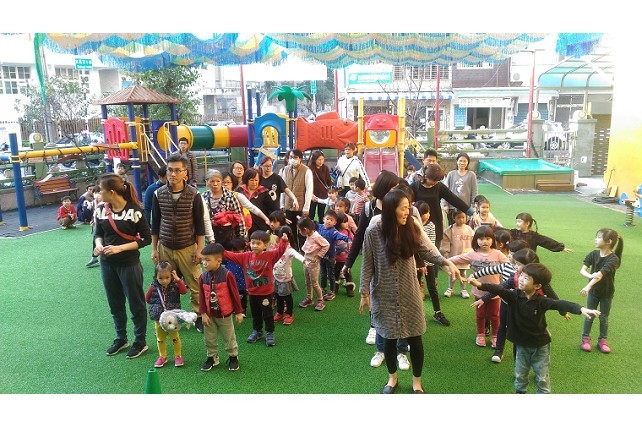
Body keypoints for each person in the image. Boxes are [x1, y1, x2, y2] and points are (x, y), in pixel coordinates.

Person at [359, 189, 459, 394]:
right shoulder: (373, 231)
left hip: (409, 292)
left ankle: (416, 382)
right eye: (404, 208)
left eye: (409, 207)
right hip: (383, 293)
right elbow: (367, 263)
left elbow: (425, 250)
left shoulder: (411, 227)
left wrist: (444, 262)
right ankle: (392, 379)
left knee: (415, 338)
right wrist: (364, 293)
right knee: (388, 340)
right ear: (391, 209)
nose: (408, 212)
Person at [469, 263, 601, 394]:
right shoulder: (513, 296)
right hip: (521, 345)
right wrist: (479, 284)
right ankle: (520, 392)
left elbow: (559, 304)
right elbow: (499, 289)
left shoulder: (541, 301)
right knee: (520, 375)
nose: (521, 279)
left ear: (537, 286)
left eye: (526, 278)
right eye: (521, 275)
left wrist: (580, 308)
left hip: (540, 346)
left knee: (542, 376)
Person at [94, 173, 152, 359]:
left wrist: (120, 248)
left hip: (129, 264)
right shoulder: (101, 209)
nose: (98, 193)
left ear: (112, 192)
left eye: (101, 190)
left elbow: (146, 239)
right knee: (115, 303)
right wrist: (98, 246)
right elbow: (98, 233)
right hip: (107, 264)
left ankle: (140, 341)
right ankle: (121, 338)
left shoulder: (135, 211)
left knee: (136, 303)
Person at [342, 170, 402, 346]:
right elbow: (359, 235)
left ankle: (398, 328)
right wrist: (349, 262)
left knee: (396, 293)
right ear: (384, 188)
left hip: (396, 256)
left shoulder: (399, 205)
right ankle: (374, 326)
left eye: (397, 188)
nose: (396, 191)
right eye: (393, 188)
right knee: (374, 291)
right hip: (375, 256)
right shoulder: (369, 207)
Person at [150, 152, 206, 332]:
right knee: (165, 283)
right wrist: (154, 249)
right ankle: (170, 315)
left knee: (195, 284)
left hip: (188, 247)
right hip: (165, 246)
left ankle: (198, 316)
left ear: (185, 173)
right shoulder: (158, 194)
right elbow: (155, 223)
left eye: (177, 170)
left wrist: (199, 249)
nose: (172, 174)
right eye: (169, 170)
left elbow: (200, 224)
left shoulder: (194, 194)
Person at [223, 230, 288, 347]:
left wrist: (284, 241)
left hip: (266, 293)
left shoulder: (270, 256)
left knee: (267, 314)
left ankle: (269, 332)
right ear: (249, 243)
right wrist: (219, 250)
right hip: (252, 293)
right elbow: (231, 255)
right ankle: (257, 331)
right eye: (253, 243)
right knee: (255, 314)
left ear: (265, 245)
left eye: (258, 243)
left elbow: (280, 251)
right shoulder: (245, 256)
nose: (255, 246)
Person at [447, 225, 509, 347]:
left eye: (488, 238)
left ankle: (495, 336)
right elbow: (457, 259)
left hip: (494, 292)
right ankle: (481, 334)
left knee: (494, 315)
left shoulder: (497, 254)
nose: (484, 241)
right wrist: (445, 261)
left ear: (493, 240)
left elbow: (510, 265)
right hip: (478, 292)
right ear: (476, 240)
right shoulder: (472, 254)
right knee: (480, 314)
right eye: (481, 239)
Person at [199, 243, 244, 372]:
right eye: (203, 259)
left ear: (218, 261)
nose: (204, 263)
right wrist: (203, 313)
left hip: (225, 314)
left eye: (207, 260)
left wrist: (238, 312)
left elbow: (235, 294)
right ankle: (212, 357)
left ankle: (233, 356)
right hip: (209, 315)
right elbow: (201, 296)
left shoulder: (227, 275)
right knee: (209, 338)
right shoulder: (203, 277)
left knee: (229, 337)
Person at [411, 163, 474, 252]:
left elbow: (454, 199)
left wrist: (471, 212)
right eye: (434, 180)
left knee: (435, 251)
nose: (436, 182)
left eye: (438, 180)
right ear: (426, 176)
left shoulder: (439, 187)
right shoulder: (415, 187)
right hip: (419, 222)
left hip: (435, 221)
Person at [579, 227, 623, 354]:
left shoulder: (613, 259)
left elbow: (600, 275)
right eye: (596, 236)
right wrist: (590, 276)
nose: (596, 239)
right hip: (594, 293)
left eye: (598, 237)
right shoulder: (593, 254)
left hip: (606, 293)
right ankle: (585, 339)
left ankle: (602, 341)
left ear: (608, 241)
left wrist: (588, 286)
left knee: (604, 317)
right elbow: (583, 270)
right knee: (589, 315)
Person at [145, 262, 188, 368]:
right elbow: (147, 299)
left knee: (175, 337)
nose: (164, 280)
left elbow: (184, 291)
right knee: (160, 338)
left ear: (172, 275)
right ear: (156, 277)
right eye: (160, 278)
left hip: (172, 318)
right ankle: (162, 356)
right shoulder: (153, 287)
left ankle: (178, 356)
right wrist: (156, 307)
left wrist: (178, 280)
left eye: (167, 277)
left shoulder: (175, 285)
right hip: (159, 319)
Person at [201, 169, 247, 248]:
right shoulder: (203, 197)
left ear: (221, 182)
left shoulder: (230, 196)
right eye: (212, 181)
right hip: (211, 238)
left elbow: (239, 218)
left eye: (218, 181)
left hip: (229, 238)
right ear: (207, 182)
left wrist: (241, 238)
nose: (215, 184)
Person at [280, 149, 313, 249]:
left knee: (302, 229)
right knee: (290, 229)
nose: (292, 159)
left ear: (300, 158)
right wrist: (282, 204)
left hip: (301, 206)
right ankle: (293, 248)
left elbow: (309, 190)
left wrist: (306, 207)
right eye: (291, 157)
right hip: (288, 205)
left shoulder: (306, 171)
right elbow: (282, 188)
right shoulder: (284, 170)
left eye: (295, 157)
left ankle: (303, 249)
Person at [272, 225, 304, 325]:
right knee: (278, 295)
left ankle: (289, 314)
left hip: (285, 278)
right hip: (276, 276)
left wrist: (304, 260)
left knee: (287, 297)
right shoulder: (275, 248)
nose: (279, 238)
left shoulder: (289, 249)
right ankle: (280, 312)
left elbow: (297, 255)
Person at [297, 217, 330, 312]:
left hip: (313, 264)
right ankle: (309, 298)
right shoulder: (309, 234)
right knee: (307, 282)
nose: (299, 232)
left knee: (314, 283)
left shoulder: (316, 236)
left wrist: (319, 256)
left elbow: (326, 245)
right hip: (306, 262)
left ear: (305, 229)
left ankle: (320, 300)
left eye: (300, 230)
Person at [317, 210, 351, 301]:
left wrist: (348, 240)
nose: (329, 221)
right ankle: (323, 289)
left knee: (330, 274)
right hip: (321, 256)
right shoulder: (319, 227)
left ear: (335, 223)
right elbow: (311, 224)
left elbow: (342, 236)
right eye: (327, 219)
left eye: (331, 220)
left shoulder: (334, 232)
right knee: (323, 274)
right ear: (323, 219)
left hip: (330, 257)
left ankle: (332, 291)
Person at [440, 209, 475, 298]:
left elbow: (473, 241)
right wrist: (446, 252)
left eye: (463, 217)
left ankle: (463, 289)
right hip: (454, 255)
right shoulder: (450, 229)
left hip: (465, 256)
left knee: (463, 272)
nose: (461, 219)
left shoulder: (469, 229)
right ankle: (450, 289)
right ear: (453, 218)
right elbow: (445, 242)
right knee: (452, 273)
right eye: (458, 217)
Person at [237, 168, 277, 236]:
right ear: (246, 180)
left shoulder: (264, 192)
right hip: (244, 226)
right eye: (251, 180)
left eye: (256, 180)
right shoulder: (240, 191)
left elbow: (273, 207)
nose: (254, 182)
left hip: (261, 226)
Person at [444, 152, 478, 225]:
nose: (462, 163)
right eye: (460, 161)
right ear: (457, 161)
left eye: (464, 161)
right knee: (452, 227)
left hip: (466, 207)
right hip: (452, 207)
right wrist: (445, 205)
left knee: (465, 227)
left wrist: (474, 206)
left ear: (468, 162)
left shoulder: (471, 175)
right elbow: (445, 190)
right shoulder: (451, 174)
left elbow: (474, 191)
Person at [223, 237, 248, 317]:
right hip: (230, 282)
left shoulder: (245, 257)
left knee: (242, 297)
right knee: (231, 296)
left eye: (239, 251)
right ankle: (232, 308)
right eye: (234, 251)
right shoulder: (228, 258)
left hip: (242, 283)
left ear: (243, 249)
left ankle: (243, 310)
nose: (236, 253)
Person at [334, 213, 355, 297]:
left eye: (347, 222)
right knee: (335, 274)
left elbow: (353, 240)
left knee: (347, 274)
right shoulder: (334, 232)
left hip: (346, 259)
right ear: (338, 223)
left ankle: (349, 289)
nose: (347, 224)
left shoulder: (348, 232)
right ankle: (334, 288)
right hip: (336, 259)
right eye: (344, 222)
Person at [308, 150, 332, 222]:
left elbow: (328, 181)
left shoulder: (325, 168)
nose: (321, 161)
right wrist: (310, 194)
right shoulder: (309, 169)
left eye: (322, 159)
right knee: (311, 214)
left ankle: (321, 227)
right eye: (319, 159)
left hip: (323, 194)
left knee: (321, 214)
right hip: (312, 195)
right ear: (314, 160)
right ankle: (311, 227)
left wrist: (331, 190)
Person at [85, 185, 102, 268]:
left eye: (99, 193)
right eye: (95, 193)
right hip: (99, 224)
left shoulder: (107, 203)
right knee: (96, 238)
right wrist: (93, 220)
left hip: (106, 224)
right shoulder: (95, 202)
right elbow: (94, 212)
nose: (97, 195)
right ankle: (94, 258)